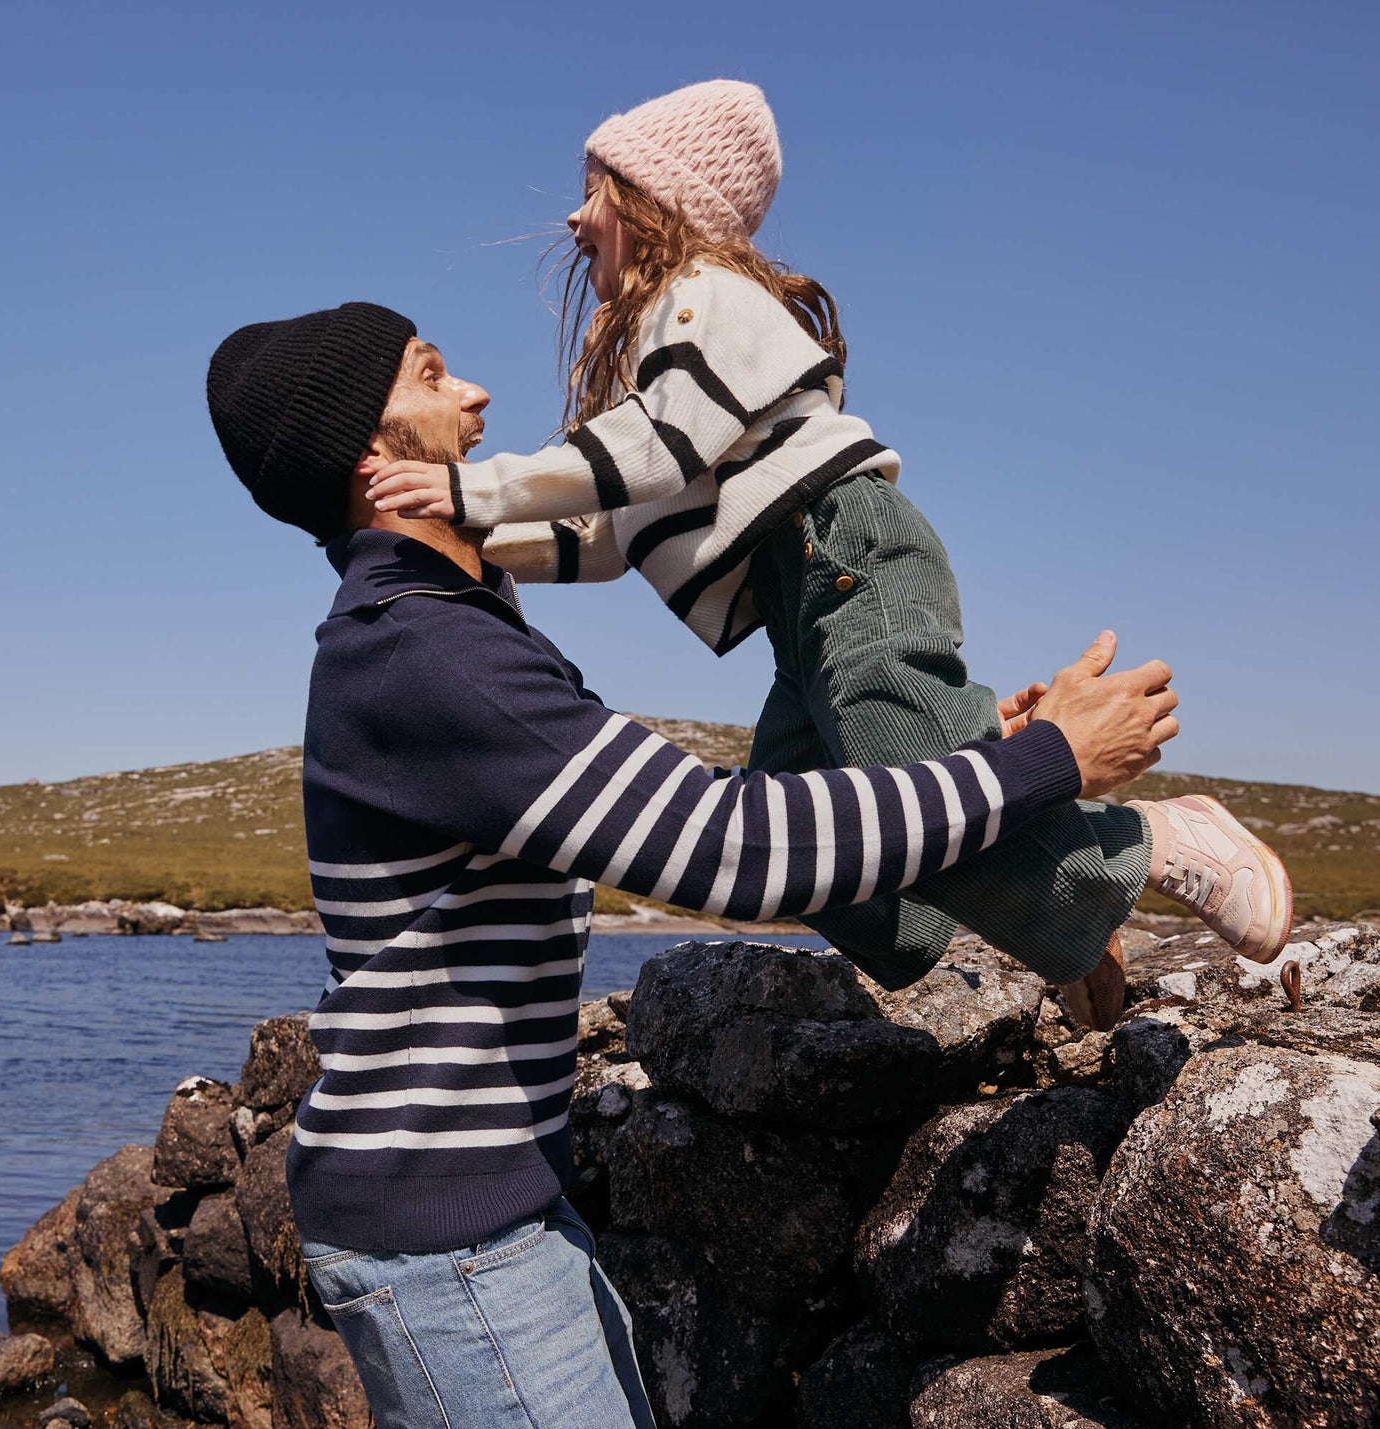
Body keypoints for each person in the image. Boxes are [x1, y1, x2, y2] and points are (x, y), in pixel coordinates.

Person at [206, 300, 1177, 1429]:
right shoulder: (424, 654)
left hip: (483, 1214)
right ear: (372, 456)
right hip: (452, 1247)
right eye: (431, 376)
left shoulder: (430, 632)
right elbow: (734, 849)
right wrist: (1049, 763)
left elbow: (710, 816)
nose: (474, 397)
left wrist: (990, 760)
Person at [361, 79, 1293, 1029]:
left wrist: (473, 492)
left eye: (597, 186)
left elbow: (659, 445)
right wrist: (476, 538)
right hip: (795, 595)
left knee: (903, 761)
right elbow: (615, 525)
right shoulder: (659, 346)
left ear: (658, 202)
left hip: (846, 551)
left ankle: (1155, 839)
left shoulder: (704, 300)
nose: (573, 212)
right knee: (816, 854)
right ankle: (1056, 919)